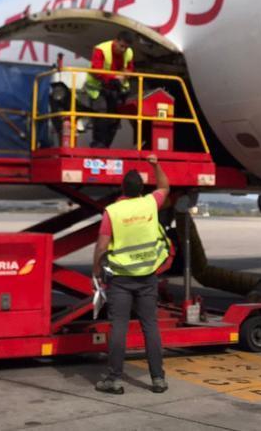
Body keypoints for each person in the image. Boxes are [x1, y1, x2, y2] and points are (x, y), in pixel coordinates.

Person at [92, 154, 170, 394]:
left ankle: (114, 379)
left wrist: (96, 271)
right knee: (150, 326)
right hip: (147, 276)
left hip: (121, 279)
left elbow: (102, 246)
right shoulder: (150, 203)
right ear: (141, 189)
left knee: (119, 327)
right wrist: (155, 165)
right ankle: (158, 379)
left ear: (122, 188)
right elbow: (165, 186)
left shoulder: (113, 212)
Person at [84, 31, 135, 148]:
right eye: (121, 46)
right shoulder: (101, 49)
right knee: (101, 114)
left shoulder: (129, 53)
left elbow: (130, 69)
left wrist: (126, 74)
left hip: (116, 90)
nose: (123, 50)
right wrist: (114, 78)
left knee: (115, 119)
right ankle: (98, 144)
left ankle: (105, 146)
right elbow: (96, 71)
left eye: (126, 47)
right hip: (98, 88)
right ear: (115, 41)